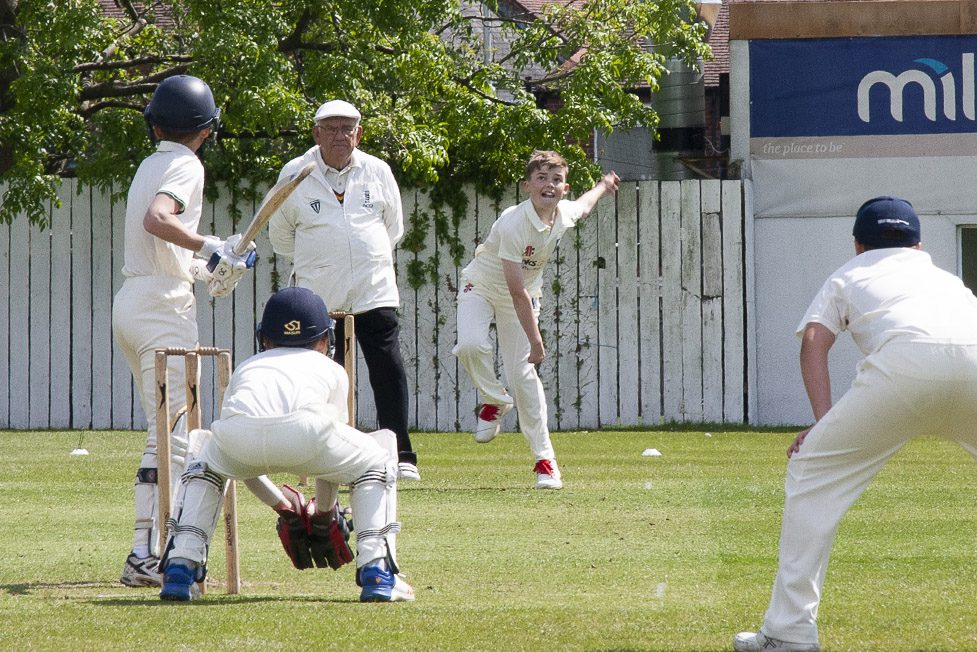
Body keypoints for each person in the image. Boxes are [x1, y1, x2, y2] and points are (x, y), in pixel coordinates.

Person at [734, 196, 977, 652]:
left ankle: (789, 633)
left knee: (811, 475)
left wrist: (821, 425)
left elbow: (813, 341)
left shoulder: (850, 272)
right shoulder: (945, 279)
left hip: (904, 368)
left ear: (858, 246)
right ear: (919, 244)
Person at [158, 286, 413, 603]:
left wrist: (282, 505)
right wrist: (322, 513)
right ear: (324, 340)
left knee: (204, 451)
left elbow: (246, 458)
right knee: (380, 451)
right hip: (308, 435)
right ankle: (378, 570)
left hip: (238, 441)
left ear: (265, 339)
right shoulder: (333, 369)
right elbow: (330, 463)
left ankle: (181, 566)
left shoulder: (248, 367)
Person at [113, 74, 254, 588]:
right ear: (206, 129)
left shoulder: (150, 164)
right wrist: (210, 247)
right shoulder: (186, 165)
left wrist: (212, 267)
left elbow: (163, 251)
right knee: (171, 439)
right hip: (161, 311)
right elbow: (158, 220)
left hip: (135, 301)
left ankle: (144, 550)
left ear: (156, 125)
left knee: (164, 432)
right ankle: (144, 555)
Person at [269, 99, 419, 481]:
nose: (339, 136)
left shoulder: (377, 170)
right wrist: (322, 259)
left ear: (359, 134)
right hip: (318, 298)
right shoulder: (295, 173)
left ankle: (401, 453)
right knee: (326, 375)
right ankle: (329, 453)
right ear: (316, 133)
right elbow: (280, 235)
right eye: (331, 128)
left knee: (388, 370)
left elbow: (393, 228)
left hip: (373, 290)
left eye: (346, 129)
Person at [452, 150, 620, 489]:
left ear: (564, 187)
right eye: (542, 178)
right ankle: (495, 399)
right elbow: (515, 291)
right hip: (483, 285)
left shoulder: (563, 213)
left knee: (522, 375)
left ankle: (545, 462)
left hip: (525, 294)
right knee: (470, 344)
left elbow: (585, 205)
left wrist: (603, 185)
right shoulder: (514, 222)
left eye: (557, 180)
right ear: (528, 186)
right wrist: (536, 340)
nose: (550, 185)